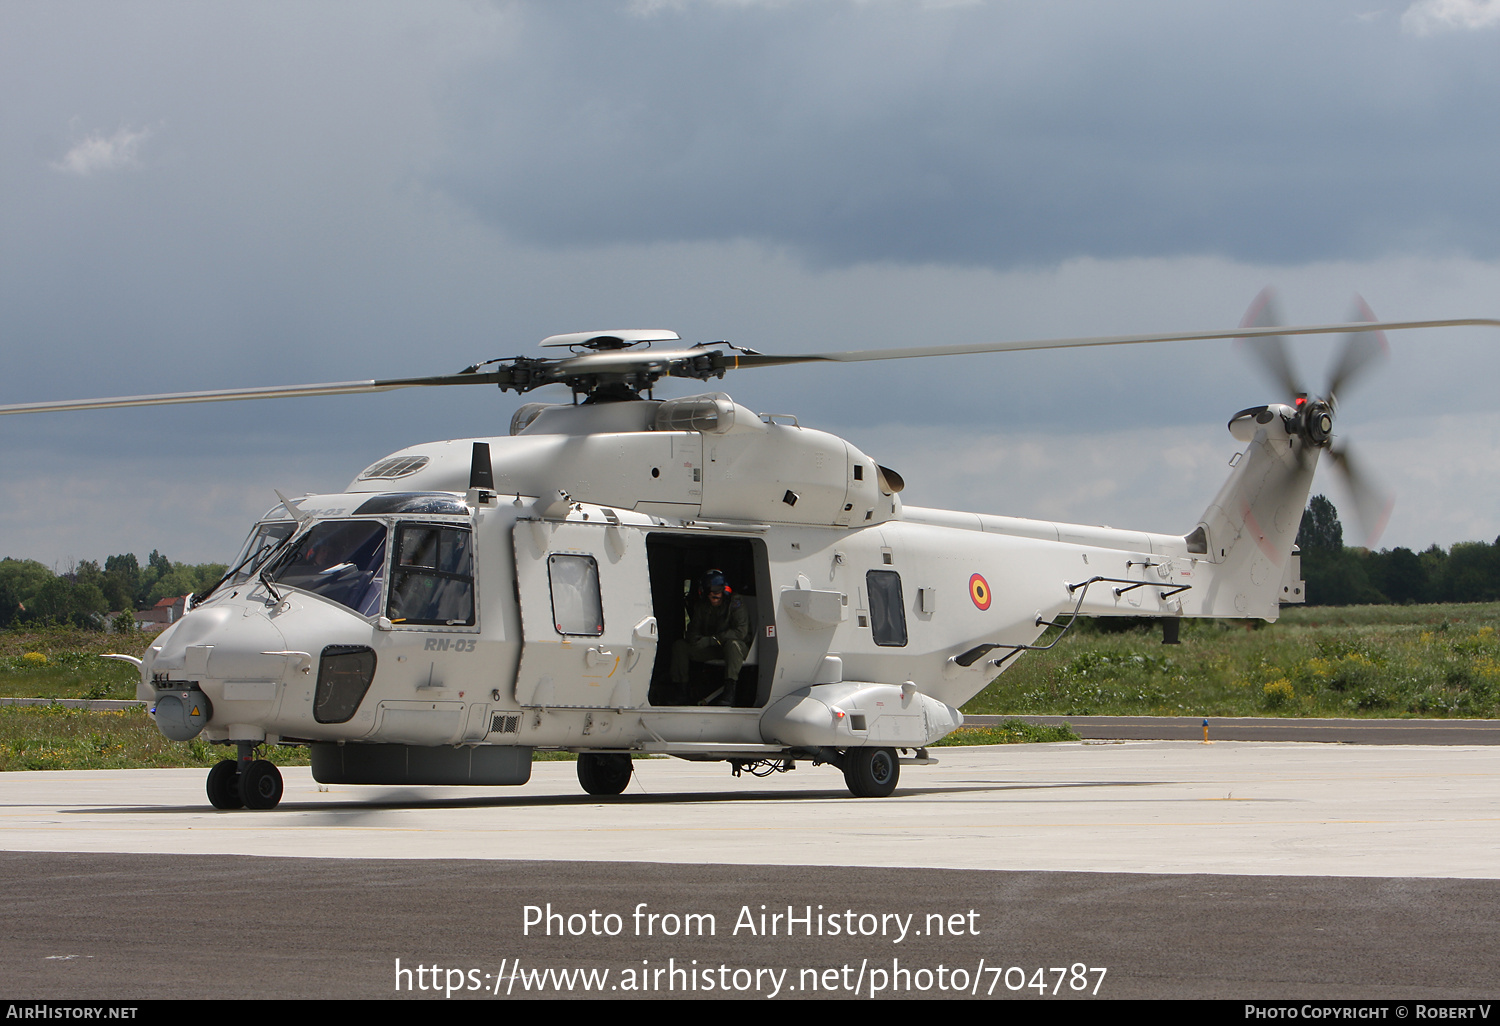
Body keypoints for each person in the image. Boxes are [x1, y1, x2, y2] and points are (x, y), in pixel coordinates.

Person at [670, 570, 749, 706]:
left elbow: (740, 632)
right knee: (680, 646)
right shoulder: (702, 606)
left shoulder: (735, 603)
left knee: (733, 645)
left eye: (718, 591)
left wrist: (712, 640)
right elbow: (693, 628)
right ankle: (681, 691)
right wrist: (694, 638)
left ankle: (730, 693)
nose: (714, 595)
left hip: (733, 649)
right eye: (710, 591)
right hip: (711, 648)